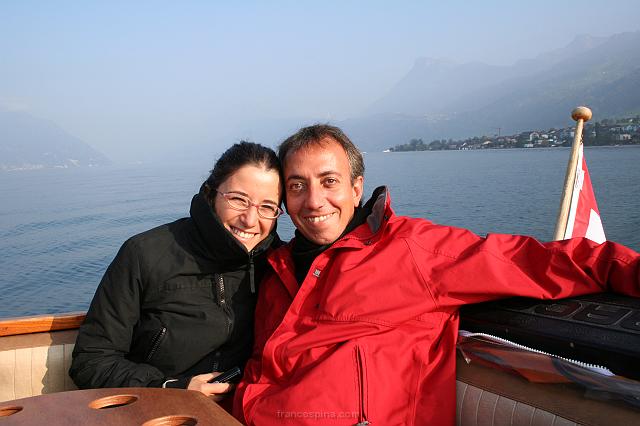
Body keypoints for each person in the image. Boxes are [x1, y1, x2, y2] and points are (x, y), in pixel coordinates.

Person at [232, 124, 640, 425]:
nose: (314, 200)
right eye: (298, 186)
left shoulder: (410, 250)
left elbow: (534, 262)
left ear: (357, 189)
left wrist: (624, 269)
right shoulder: (278, 271)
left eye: (329, 182)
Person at [70, 142, 283, 401]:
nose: (250, 219)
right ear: (211, 194)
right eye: (238, 199)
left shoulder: (279, 264)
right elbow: (91, 362)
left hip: (244, 410)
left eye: (267, 207)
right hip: (157, 410)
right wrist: (173, 388)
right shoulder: (145, 254)